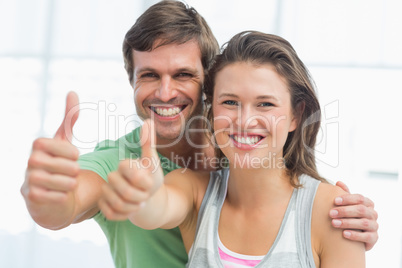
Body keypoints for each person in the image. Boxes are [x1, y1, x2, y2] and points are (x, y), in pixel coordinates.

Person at [21, 1, 377, 267]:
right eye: (148, 75)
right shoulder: (139, 168)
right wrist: (45, 194)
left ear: (207, 87)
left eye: (182, 75)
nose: (164, 93)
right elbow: (69, 207)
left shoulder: (323, 205)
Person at [103, 31, 365, 267]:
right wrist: (142, 197)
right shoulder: (194, 190)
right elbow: (155, 210)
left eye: (265, 104)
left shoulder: (335, 213)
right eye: (230, 102)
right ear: (211, 110)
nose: (244, 121)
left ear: (296, 115)